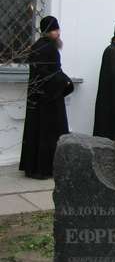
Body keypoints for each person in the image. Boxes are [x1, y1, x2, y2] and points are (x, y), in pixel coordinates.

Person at [19, 16, 74, 179]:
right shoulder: (50, 48)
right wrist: (67, 83)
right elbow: (52, 74)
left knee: (36, 130)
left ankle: (33, 167)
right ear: (50, 31)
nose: (58, 33)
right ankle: (45, 168)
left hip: (37, 98)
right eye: (56, 30)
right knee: (49, 133)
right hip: (50, 99)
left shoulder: (36, 46)